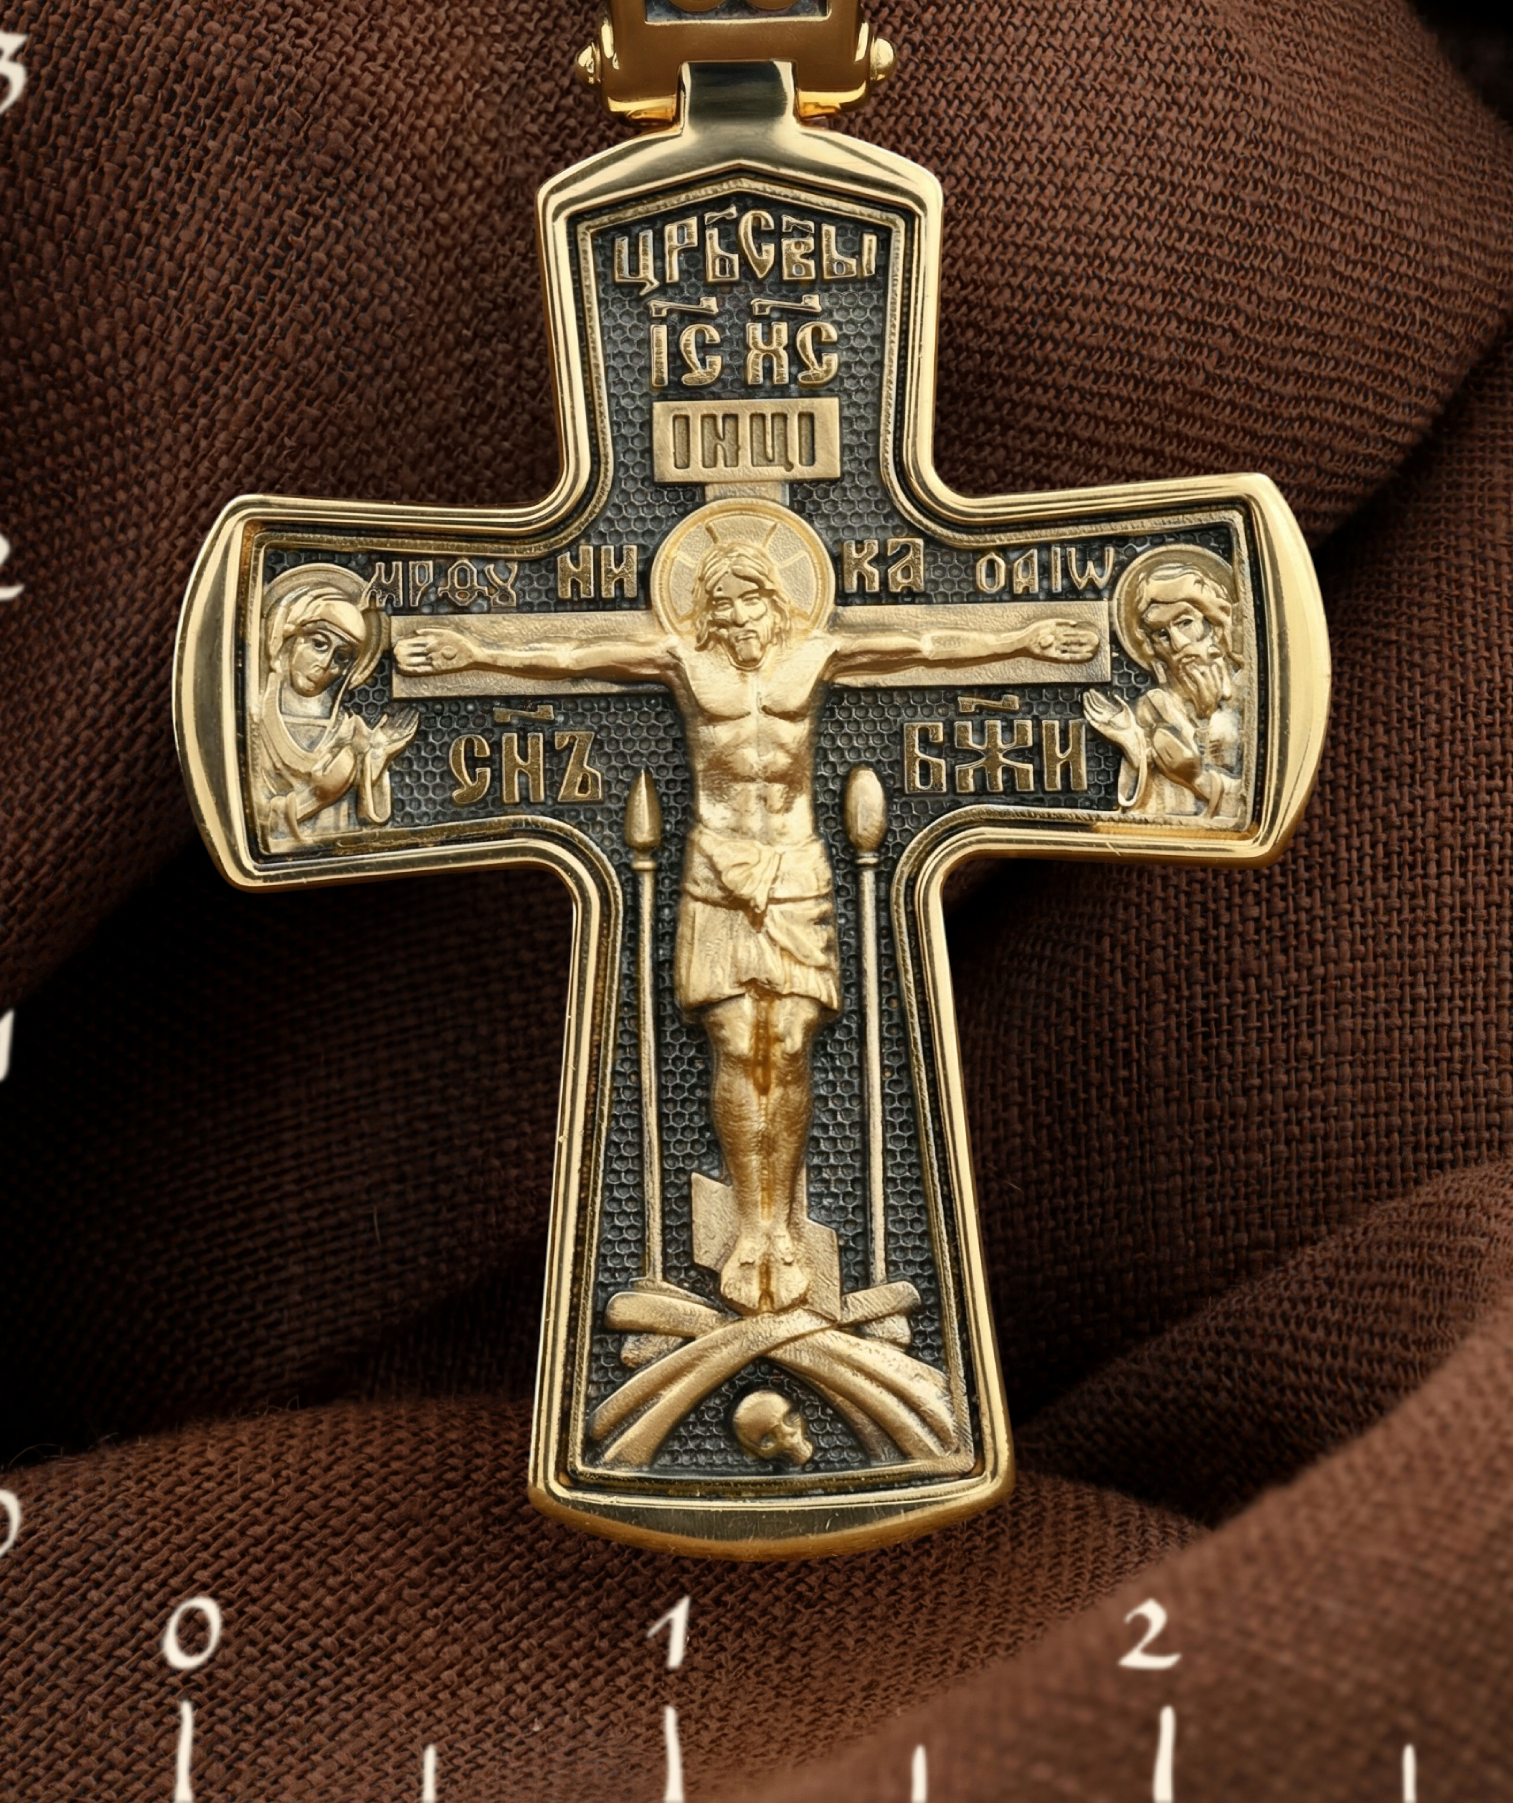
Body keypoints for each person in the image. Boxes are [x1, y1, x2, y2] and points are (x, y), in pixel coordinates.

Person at [394, 508, 1098, 1315]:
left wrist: (1026, 639)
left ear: (775, 598)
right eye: (720, 604)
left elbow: (927, 645)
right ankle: (752, 1227)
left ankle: (781, 1227)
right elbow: (569, 656)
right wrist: (475, 651)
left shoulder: (817, 655)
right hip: (718, 872)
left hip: (795, 869)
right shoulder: (684, 663)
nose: (736, 618)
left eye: (748, 600)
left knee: (787, 1044)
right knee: (736, 1044)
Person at [251, 567, 418, 852]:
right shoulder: (254, 724)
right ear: (287, 637)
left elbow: (368, 824)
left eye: (341, 657)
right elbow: (256, 824)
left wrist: (374, 760)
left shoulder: (350, 731)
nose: (326, 664)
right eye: (318, 644)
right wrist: (317, 796)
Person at [1082, 549, 1244, 821]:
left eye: (1185, 623)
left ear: (1213, 623)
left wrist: (1198, 779)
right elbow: (1140, 814)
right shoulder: (1154, 708)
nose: (1178, 644)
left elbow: (1257, 796)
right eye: (1162, 635)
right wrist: (1134, 746)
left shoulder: (1249, 692)